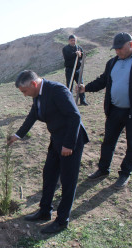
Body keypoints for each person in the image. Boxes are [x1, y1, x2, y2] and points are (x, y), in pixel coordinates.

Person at [7, 70, 89, 234]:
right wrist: (18, 135)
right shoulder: (37, 94)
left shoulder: (57, 90)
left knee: (67, 181)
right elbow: (33, 115)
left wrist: (68, 144)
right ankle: (45, 211)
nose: (24, 95)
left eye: (24, 91)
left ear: (33, 84)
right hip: (56, 139)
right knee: (49, 174)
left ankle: (62, 221)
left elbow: (74, 116)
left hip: (70, 141)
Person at [79, 32, 132, 188]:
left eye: (120, 48)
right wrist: (86, 88)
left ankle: (125, 174)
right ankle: (103, 169)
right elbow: (103, 80)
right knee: (108, 142)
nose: (117, 51)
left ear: (131, 45)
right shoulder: (112, 62)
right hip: (115, 110)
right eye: (115, 49)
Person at [62, 35, 88, 106]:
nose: (73, 42)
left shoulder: (79, 48)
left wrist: (81, 54)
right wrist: (75, 54)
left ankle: (83, 101)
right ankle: (70, 101)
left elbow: (83, 56)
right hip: (70, 69)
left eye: (74, 40)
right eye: (71, 40)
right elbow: (67, 56)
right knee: (70, 85)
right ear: (69, 41)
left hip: (78, 69)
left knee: (80, 84)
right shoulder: (65, 48)